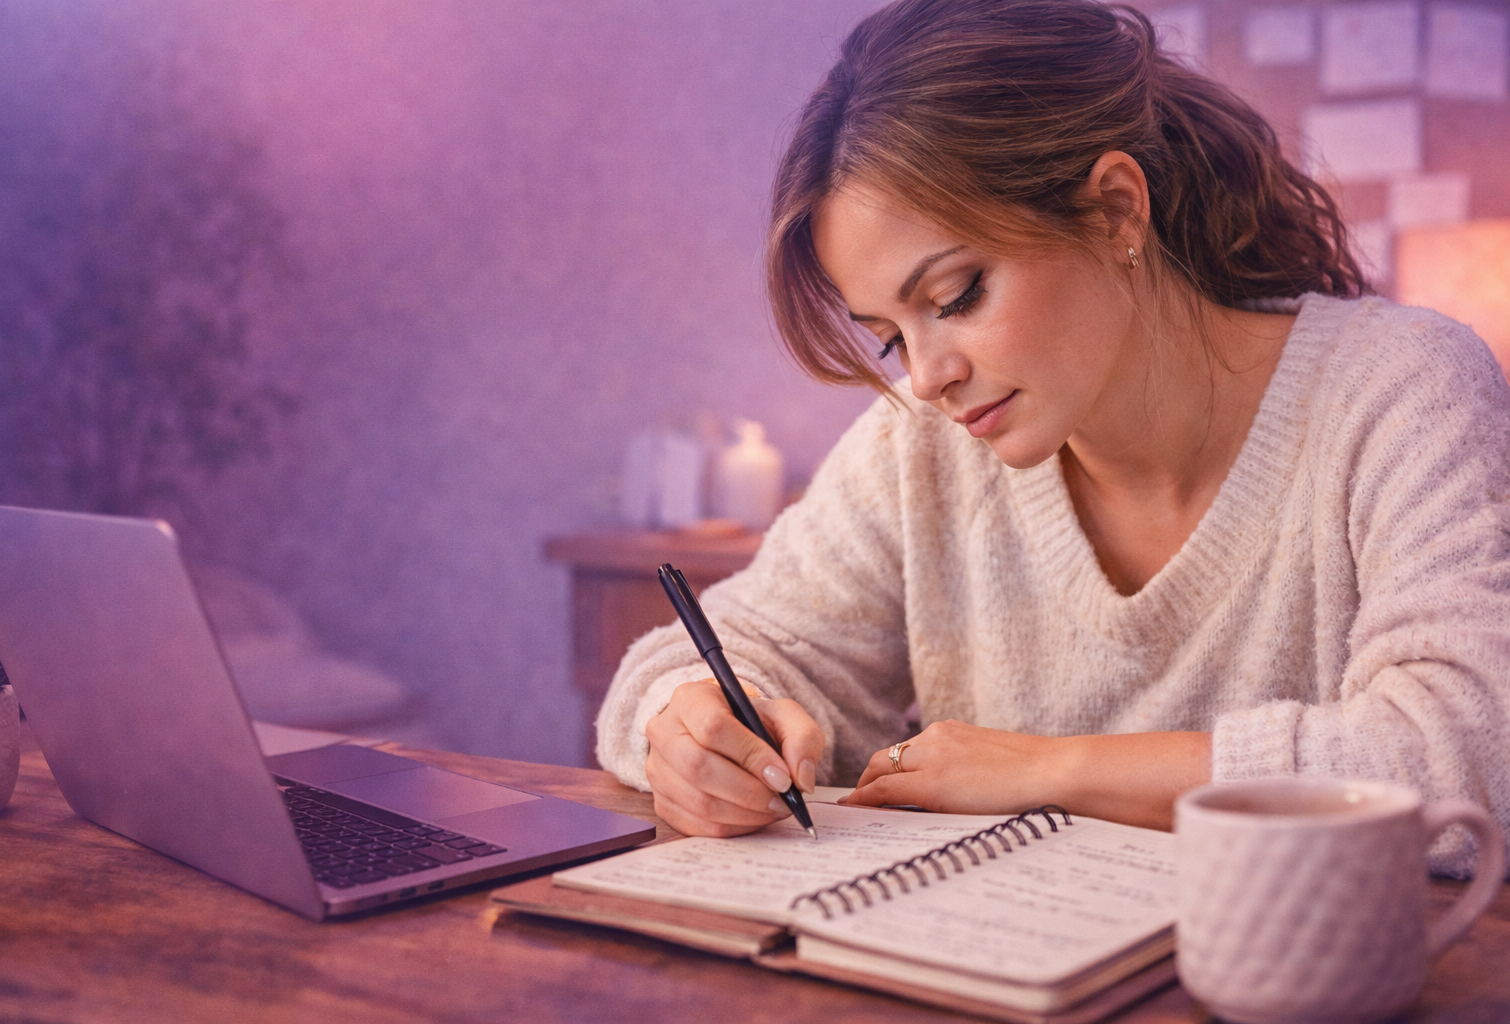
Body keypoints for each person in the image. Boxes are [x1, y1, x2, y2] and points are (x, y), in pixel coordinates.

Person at [595, 0, 1510, 875]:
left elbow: (1463, 761)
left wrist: (1046, 771)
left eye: (957, 297)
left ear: (1116, 210)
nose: (926, 376)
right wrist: (687, 723)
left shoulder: (1400, 388)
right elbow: (725, 648)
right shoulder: (920, 446)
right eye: (889, 334)